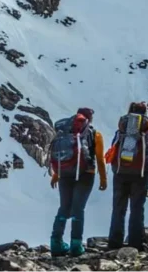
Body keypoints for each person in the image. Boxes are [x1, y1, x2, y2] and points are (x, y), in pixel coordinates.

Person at [49, 107, 107, 257]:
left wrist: (56, 174)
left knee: (64, 207)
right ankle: (76, 244)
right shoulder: (94, 134)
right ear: (90, 118)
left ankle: (56, 243)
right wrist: (103, 178)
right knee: (78, 209)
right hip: (86, 174)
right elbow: (100, 159)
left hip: (65, 173)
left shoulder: (66, 132)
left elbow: (62, 155)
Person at [106, 101, 148, 250]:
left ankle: (114, 242)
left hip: (120, 172)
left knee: (118, 207)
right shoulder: (147, 130)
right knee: (137, 208)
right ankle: (135, 242)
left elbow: (114, 145)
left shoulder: (122, 129)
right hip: (140, 173)